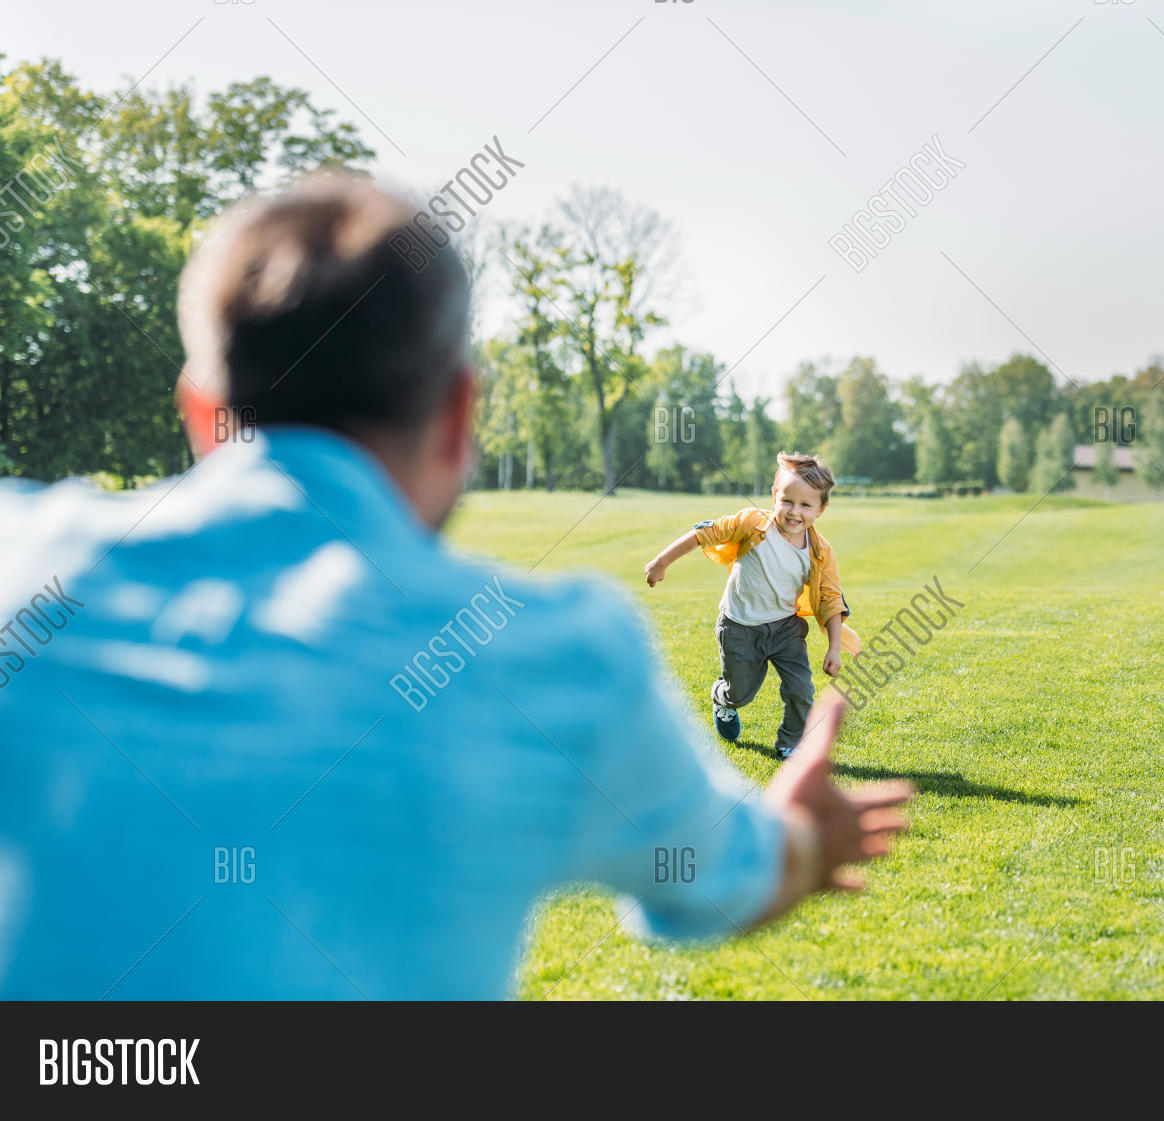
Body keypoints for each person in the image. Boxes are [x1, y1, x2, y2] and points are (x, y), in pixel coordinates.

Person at [0, 173, 910, 999]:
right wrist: (798, 842)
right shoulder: (560, 654)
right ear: (457, 415)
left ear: (202, 408)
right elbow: (714, 876)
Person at [643, 453, 860, 760]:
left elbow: (830, 600)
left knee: (801, 689)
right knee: (740, 693)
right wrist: (661, 562)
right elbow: (704, 534)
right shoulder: (752, 524)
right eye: (787, 501)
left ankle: (790, 743)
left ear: (821, 509)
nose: (794, 511)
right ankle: (723, 699)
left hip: (786, 628)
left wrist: (834, 648)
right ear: (774, 497)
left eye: (805, 505)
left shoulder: (821, 551)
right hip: (739, 626)